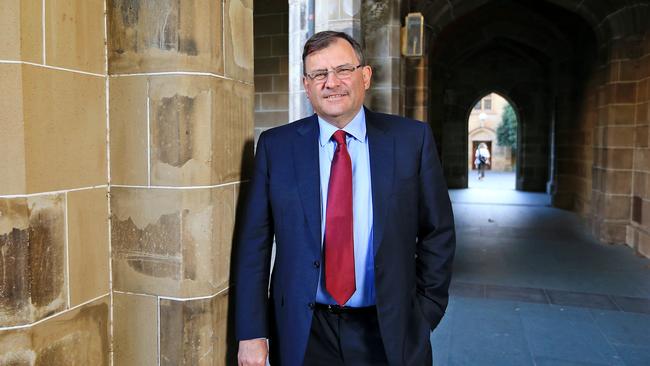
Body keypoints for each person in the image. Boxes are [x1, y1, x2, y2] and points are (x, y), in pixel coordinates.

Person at [235, 31, 455, 366]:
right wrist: (251, 332)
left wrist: (426, 311)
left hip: (389, 329)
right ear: (306, 85)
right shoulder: (275, 147)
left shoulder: (411, 140)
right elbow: (254, 244)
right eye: (319, 74)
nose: (331, 82)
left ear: (365, 76)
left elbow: (437, 232)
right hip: (304, 332)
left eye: (342, 70)